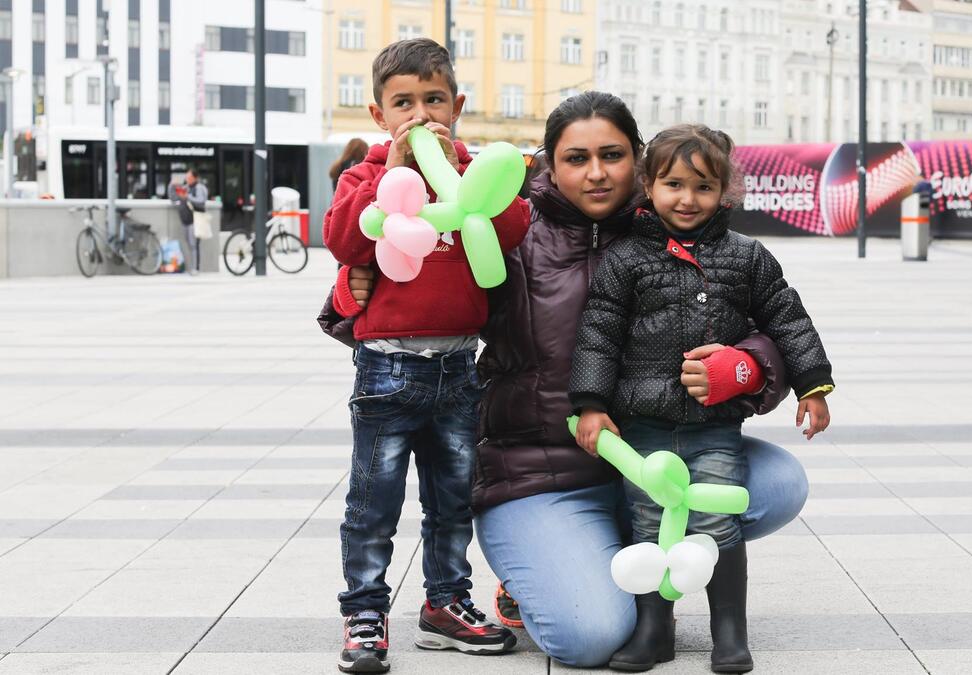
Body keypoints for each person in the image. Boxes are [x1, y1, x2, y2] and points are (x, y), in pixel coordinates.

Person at [324, 91, 812, 669]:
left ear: (639, 157)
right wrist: (349, 291)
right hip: (540, 471)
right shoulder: (510, 225)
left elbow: (769, 321)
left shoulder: (682, 222)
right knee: (590, 637)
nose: (597, 173)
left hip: (655, 451)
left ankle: (625, 545)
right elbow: (416, 281)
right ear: (548, 163)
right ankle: (537, 571)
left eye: (613, 155)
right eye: (577, 158)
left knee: (780, 482)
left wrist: (747, 367)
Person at [569, 124, 834, 673]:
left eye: (703, 187)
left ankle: (729, 633)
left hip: (714, 426)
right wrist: (592, 403)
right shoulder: (625, 259)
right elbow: (598, 332)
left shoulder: (747, 256)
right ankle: (654, 630)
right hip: (642, 426)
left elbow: (787, 317)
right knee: (649, 523)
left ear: (724, 192)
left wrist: (812, 385)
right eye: (673, 184)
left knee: (717, 521)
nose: (687, 199)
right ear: (648, 184)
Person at [322, 38, 530, 674]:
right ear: (378, 115)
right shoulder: (367, 175)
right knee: (373, 501)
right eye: (402, 103)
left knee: (453, 498)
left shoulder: (473, 174)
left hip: (458, 367)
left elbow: (513, 226)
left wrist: (458, 168)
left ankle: (445, 601)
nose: (419, 114)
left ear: (457, 105)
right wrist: (395, 170)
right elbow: (339, 235)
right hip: (388, 366)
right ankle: (364, 611)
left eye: (432, 100)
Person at [169, 168, 208, 275]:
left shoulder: (199, 188)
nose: (187, 179)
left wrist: (187, 197)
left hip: (195, 220)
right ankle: (191, 267)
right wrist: (171, 186)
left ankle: (195, 268)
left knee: (194, 244)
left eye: (189, 178)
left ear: (195, 178)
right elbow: (174, 198)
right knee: (189, 244)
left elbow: (201, 201)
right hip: (185, 220)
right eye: (186, 177)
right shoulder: (185, 188)